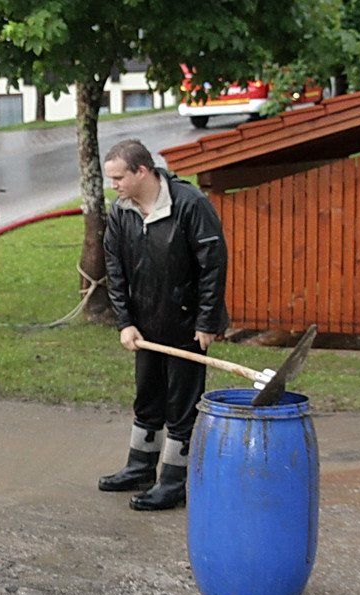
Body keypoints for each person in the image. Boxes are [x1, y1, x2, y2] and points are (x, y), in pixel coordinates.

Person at [99, 139, 229, 511]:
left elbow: (212, 265)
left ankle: (174, 481)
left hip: (187, 325)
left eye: (118, 178)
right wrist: (125, 322)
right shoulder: (121, 211)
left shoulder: (190, 204)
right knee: (148, 399)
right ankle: (140, 468)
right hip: (145, 327)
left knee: (181, 405)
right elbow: (114, 268)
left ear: (142, 171)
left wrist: (207, 320)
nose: (113, 185)